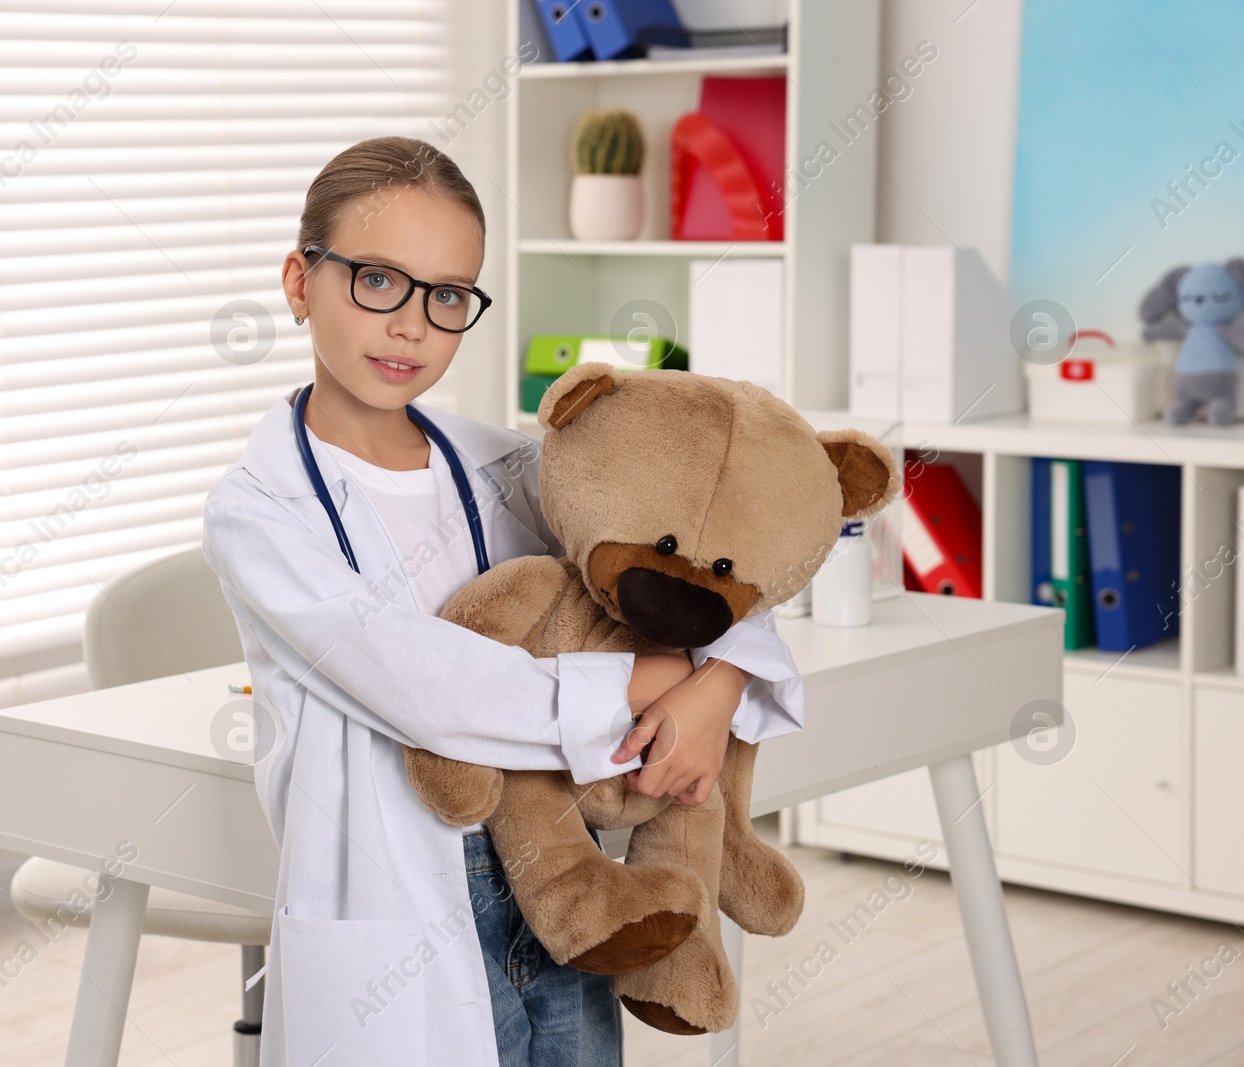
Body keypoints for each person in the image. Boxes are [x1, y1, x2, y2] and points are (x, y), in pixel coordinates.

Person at [200, 135, 804, 1067]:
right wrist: (651, 675)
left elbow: (719, 553)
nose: (411, 325)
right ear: (298, 281)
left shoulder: (514, 465)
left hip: (558, 879)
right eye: (376, 280)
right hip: (402, 901)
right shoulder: (260, 511)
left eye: (446, 297)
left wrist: (715, 684)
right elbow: (425, 683)